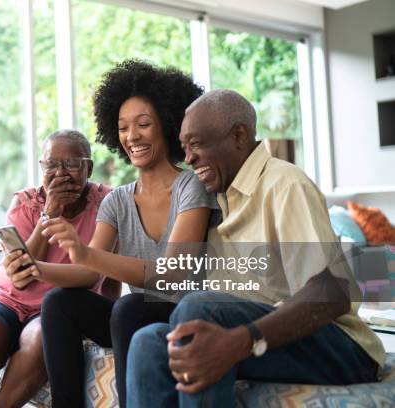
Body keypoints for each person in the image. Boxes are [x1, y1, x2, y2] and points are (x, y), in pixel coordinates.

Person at [127, 89, 385, 407]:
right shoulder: (213, 197)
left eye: (196, 144)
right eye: (184, 148)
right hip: (264, 335)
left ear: (239, 136)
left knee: (201, 309)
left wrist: (242, 340)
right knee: (146, 343)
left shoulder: (284, 184)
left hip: (340, 347)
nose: (189, 158)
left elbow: (332, 292)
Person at [39, 60, 220, 407]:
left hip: (185, 311)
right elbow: (88, 272)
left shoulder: (192, 187)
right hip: (136, 312)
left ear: (167, 125)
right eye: (123, 127)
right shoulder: (117, 201)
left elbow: (174, 273)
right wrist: (37, 270)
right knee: (59, 302)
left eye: (143, 124)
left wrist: (87, 253)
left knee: (127, 306)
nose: (131, 136)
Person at [0, 129, 112, 408]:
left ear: (89, 166)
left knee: (39, 340)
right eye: (51, 164)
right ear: (42, 167)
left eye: (72, 164)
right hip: (8, 297)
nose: (60, 173)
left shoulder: (105, 204)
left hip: (57, 307)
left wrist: (105, 316)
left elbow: (104, 274)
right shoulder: (25, 203)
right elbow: (22, 279)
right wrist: (49, 214)